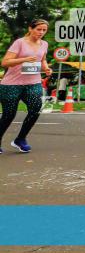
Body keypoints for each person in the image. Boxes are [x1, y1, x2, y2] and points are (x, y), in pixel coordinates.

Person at [0, 19, 51, 153]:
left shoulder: (44, 44)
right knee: (8, 115)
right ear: (30, 29)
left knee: (36, 109)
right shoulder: (20, 43)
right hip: (12, 84)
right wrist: (24, 59)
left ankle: (20, 139)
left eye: (44, 30)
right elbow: (5, 63)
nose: (41, 32)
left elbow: (43, 59)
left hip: (33, 83)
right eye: (38, 29)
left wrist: (46, 68)